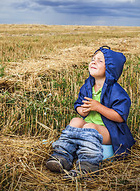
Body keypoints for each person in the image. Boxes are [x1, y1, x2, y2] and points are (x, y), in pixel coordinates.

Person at [46, 46, 135, 179]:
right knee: (75, 121)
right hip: (89, 126)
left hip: (110, 131)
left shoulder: (116, 91)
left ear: (110, 68)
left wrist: (98, 107)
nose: (93, 62)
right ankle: (62, 156)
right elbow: (79, 105)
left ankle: (88, 167)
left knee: (90, 127)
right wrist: (81, 110)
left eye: (100, 61)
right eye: (93, 59)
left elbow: (120, 117)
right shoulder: (88, 86)